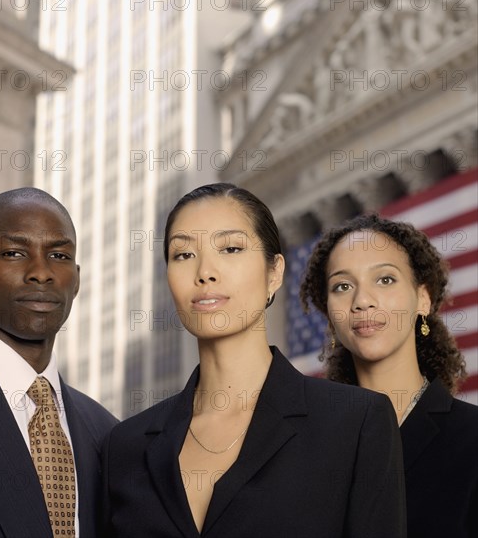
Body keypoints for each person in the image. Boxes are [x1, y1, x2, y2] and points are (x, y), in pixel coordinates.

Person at [105, 183, 406, 537]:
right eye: (183, 255)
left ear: (274, 273)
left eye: (231, 248)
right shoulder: (125, 445)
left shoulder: (356, 423)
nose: (205, 272)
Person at [0, 188, 119, 538]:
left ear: (76, 280)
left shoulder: (106, 432)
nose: (41, 273)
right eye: (14, 253)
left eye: (59, 256)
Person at [300, 213, 478, 538]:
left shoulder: (471, 438)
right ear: (330, 313)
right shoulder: (304, 451)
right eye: (343, 286)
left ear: (422, 298)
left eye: (384, 279)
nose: (363, 301)